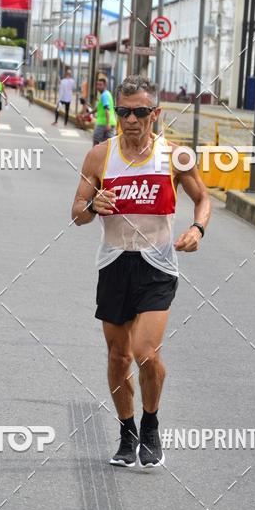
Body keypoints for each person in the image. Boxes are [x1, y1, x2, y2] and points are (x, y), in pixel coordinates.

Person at [71, 75, 211, 469]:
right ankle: (127, 431)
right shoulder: (100, 156)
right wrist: (93, 205)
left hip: (158, 264)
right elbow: (76, 214)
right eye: (124, 112)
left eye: (140, 112)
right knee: (118, 357)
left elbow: (203, 199)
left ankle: (151, 423)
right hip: (114, 263)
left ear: (156, 113)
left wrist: (197, 228)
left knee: (144, 352)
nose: (131, 120)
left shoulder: (174, 156)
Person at [92, 73, 116, 146]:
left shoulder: (104, 95)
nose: (98, 87)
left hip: (103, 123)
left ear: (105, 85)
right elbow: (98, 108)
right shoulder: (108, 94)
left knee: (96, 142)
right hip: (111, 122)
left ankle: (94, 157)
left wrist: (107, 123)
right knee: (107, 145)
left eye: (100, 85)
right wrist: (89, 113)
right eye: (97, 84)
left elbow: (106, 109)